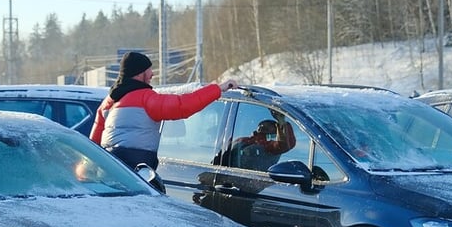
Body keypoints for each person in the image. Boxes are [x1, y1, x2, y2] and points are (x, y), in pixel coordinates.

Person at [90, 51, 238, 169]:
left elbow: (91, 147)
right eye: (149, 70)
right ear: (140, 73)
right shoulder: (146, 98)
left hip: (111, 169)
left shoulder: (107, 103)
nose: (152, 74)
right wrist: (218, 89)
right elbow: (183, 105)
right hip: (137, 170)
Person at [224, 116, 297, 171]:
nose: (262, 127)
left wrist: (282, 122)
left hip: (250, 182)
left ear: (276, 134)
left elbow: (286, 144)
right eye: (261, 126)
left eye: (267, 127)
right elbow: (223, 152)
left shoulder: (270, 147)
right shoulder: (242, 140)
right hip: (227, 175)